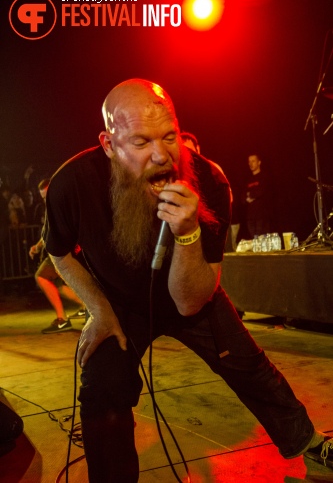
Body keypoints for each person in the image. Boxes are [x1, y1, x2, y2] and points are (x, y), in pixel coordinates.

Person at [43, 79, 332, 481]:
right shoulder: (71, 183)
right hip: (119, 302)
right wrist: (99, 310)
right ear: (110, 145)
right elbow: (58, 253)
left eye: (169, 137)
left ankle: (311, 446)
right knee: (102, 385)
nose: (161, 156)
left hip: (189, 291)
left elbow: (191, 302)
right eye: (141, 142)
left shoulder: (210, 181)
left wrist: (188, 232)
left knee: (248, 365)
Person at [29, 179, 85, 333]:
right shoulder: (59, 204)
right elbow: (48, 229)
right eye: (42, 197)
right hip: (65, 250)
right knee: (61, 286)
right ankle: (87, 307)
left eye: (47, 196)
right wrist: (38, 246)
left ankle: (62, 319)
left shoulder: (60, 205)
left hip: (62, 250)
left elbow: (57, 230)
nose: (45, 200)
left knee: (42, 277)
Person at [241, 153, 271, 237]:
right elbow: (242, 197)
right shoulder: (248, 179)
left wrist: (250, 194)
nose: (251, 163)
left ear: (259, 162)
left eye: (253, 161)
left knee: (262, 240)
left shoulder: (264, 177)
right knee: (254, 241)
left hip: (262, 216)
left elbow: (261, 191)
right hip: (250, 216)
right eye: (249, 161)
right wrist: (248, 197)